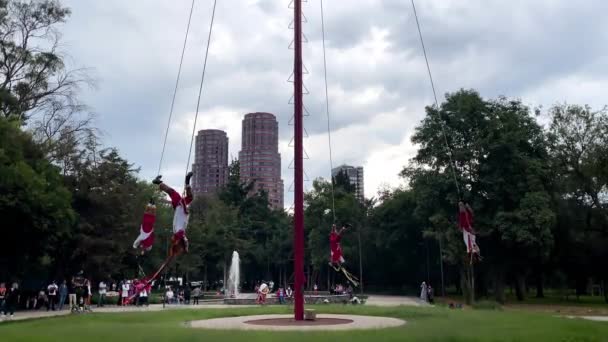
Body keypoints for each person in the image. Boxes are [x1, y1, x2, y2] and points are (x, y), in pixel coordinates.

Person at [152, 172, 193, 256]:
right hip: (178, 207)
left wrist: (185, 209)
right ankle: (158, 182)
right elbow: (184, 241)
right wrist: (185, 248)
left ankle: (187, 180)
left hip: (180, 204)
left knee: (175, 193)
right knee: (186, 196)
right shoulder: (178, 231)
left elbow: (181, 238)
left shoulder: (179, 232)